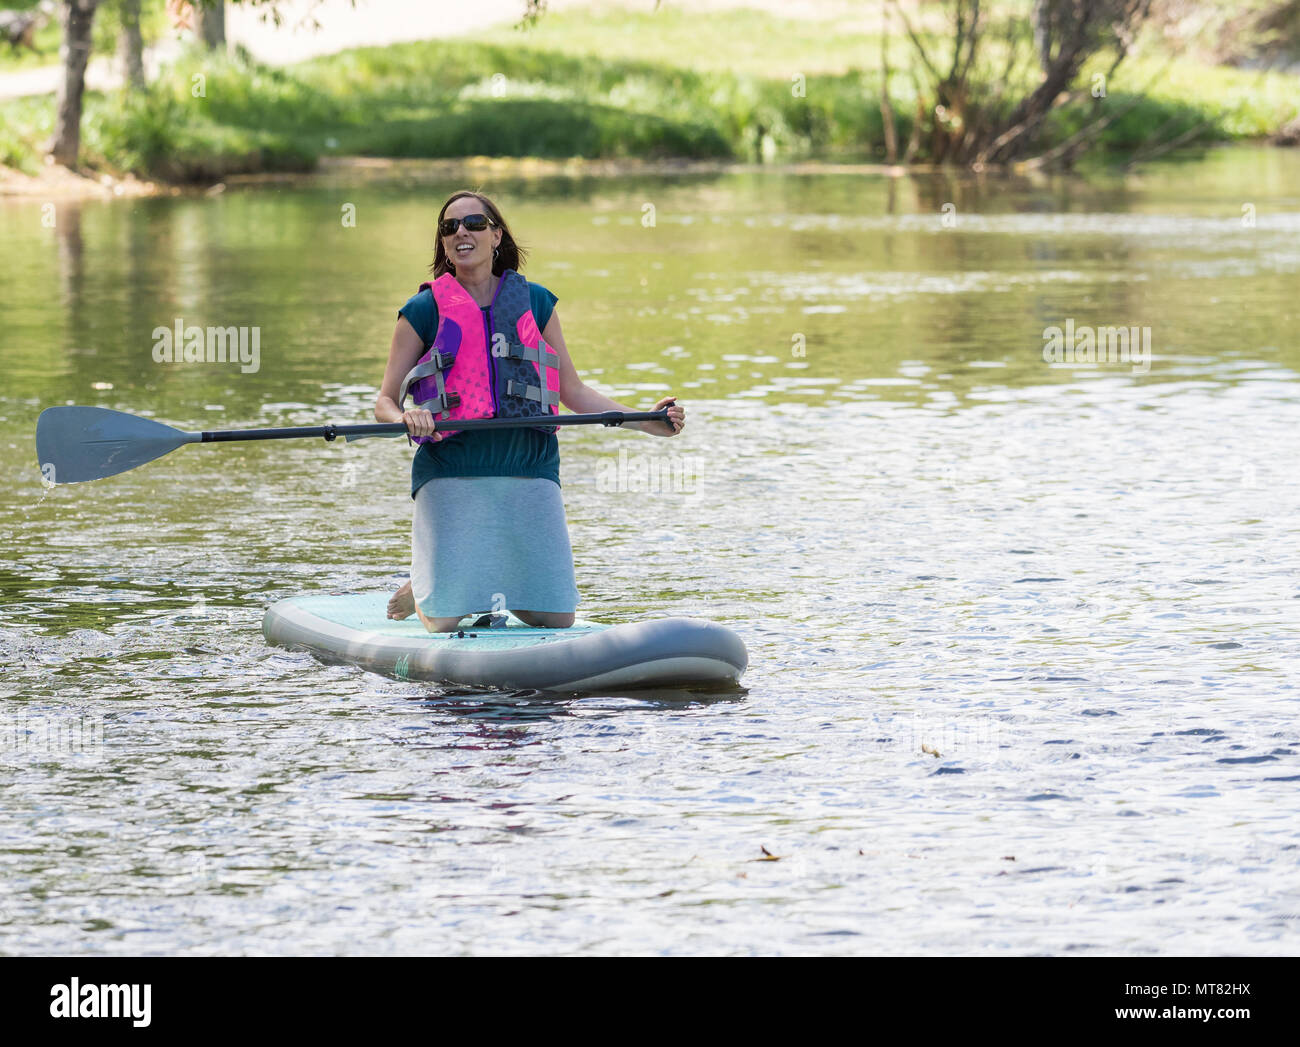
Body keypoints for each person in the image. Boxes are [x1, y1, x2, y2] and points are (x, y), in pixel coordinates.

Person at [375, 190, 684, 633]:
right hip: (451, 465)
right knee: (442, 623)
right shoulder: (422, 311)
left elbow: (572, 391)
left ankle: (454, 578)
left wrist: (646, 421)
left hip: (530, 463)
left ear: (497, 234)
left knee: (557, 618)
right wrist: (405, 417)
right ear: (443, 244)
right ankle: (429, 588)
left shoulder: (536, 304)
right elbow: (384, 400)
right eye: (450, 227)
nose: (462, 232)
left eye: (475, 223)